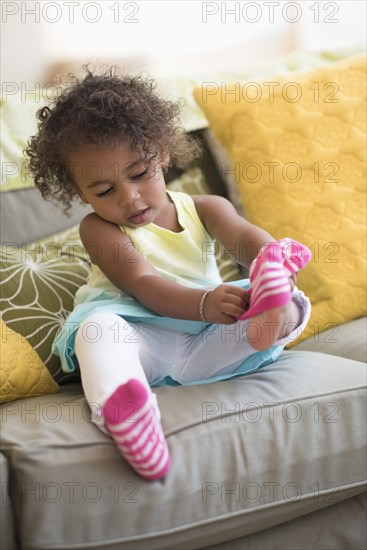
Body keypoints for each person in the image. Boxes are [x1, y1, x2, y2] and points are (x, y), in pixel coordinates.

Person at [26, 67, 311, 481]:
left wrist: (267, 257)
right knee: (98, 331)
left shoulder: (205, 207)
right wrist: (202, 303)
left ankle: (272, 312)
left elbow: (241, 236)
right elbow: (143, 284)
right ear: (78, 193)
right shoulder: (99, 228)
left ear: (160, 153)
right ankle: (127, 412)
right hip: (141, 338)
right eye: (104, 192)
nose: (129, 197)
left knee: (288, 299)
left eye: (139, 174)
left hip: (204, 344)